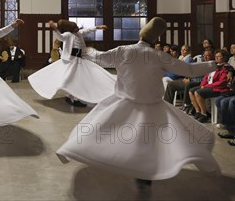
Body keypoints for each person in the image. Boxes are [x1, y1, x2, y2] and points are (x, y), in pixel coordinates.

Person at [56, 17, 220, 188]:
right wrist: (214, 65)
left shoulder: (123, 50)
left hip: (124, 103)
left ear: (141, 35)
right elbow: (189, 70)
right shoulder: (158, 55)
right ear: (156, 38)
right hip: (152, 106)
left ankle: (117, 161)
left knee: (102, 131)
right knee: (149, 141)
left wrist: (86, 50)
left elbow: (99, 58)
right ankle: (144, 171)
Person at [28, 20, 115, 108]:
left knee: (75, 79)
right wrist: (55, 29)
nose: (78, 29)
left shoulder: (79, 33)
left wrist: (98, 27)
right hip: (70, 61)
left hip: (79, 60)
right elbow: (61, 37)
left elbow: (87, 30)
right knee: (73, 79)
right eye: (75, 28)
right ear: (70, 29)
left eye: (77, 27)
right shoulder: (68, 35)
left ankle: (70, 97)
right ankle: (74, 98)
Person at [188, 49, 232, 123]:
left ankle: (204, 114)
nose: (217, 58)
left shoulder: (226, 67)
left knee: (197, 92)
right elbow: (206, 77)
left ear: (224, 58)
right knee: (191, 91)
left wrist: (207, 86)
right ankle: (198, 111)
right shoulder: (214, 66)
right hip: (209, 85)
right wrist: (202, 84)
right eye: (216, 56)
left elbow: (222, 82)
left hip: (219, 88)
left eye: (219, 56)